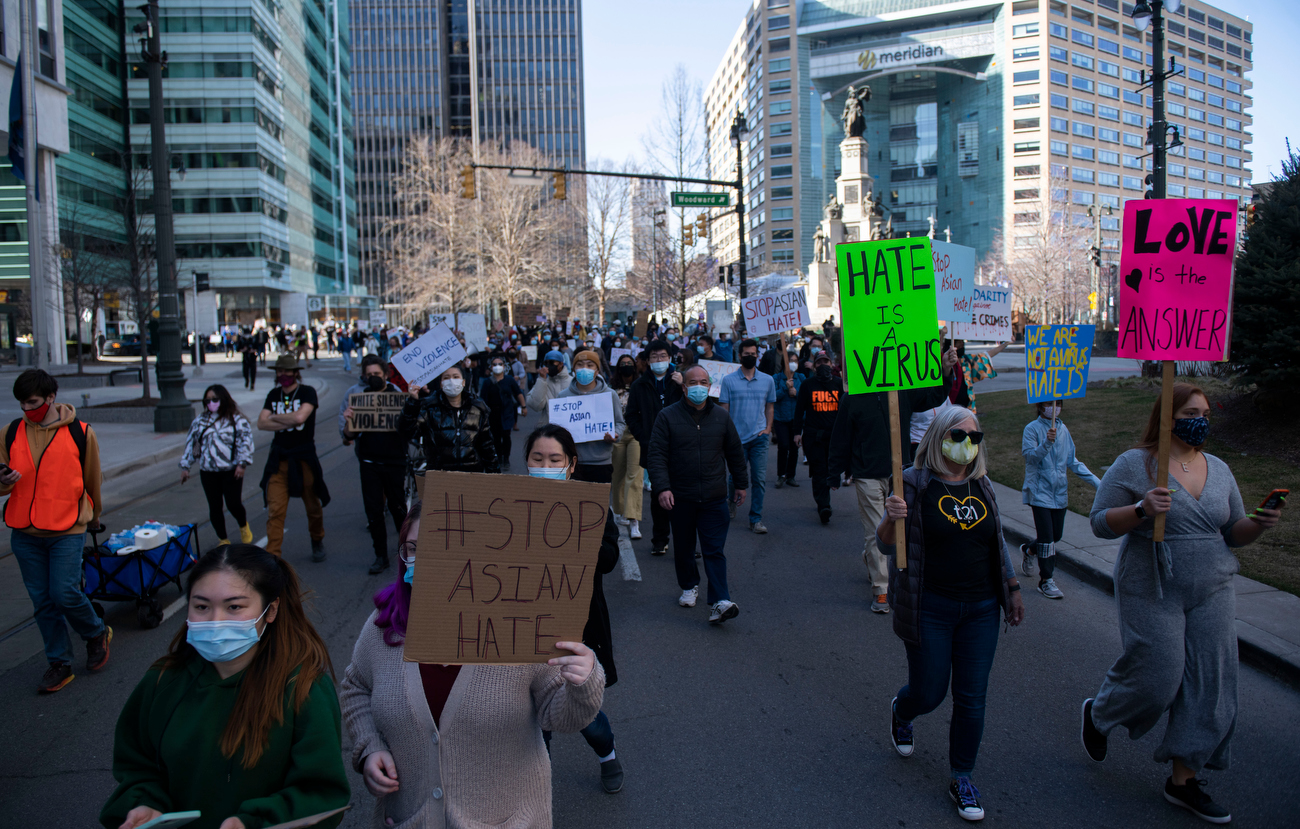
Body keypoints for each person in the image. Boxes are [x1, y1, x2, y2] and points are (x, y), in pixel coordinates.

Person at [1080, 384, 1286, 824]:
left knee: (1209, 683)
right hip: (1152, 584)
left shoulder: (1220, 470)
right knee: (1158, 676)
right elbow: (1099, 523)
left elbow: (1232, 532)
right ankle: (1100, 714)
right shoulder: (1136, 464)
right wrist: (1139, 509)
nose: (1202, 420)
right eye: (1192, 412)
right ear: (1168, 416)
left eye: (1207, 413)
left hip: (1213, 587)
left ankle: (1183, 780)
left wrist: (1259, 524)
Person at [339, 504, 604, 828]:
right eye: (412, 549)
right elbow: (355, 686)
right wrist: (370, 747)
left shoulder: (517, 626)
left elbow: (560, 715)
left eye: (437, 548)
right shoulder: (385, 626)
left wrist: (583, 681)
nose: (421, 562)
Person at [100, 545, 350, 829]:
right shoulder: (161, 682)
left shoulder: (304, 689)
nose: (215, 621)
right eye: (202, 606)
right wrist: (144, 803)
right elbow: (137, 768)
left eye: (234, 607)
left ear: (271, 610)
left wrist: (253, 823)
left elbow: (322, 793)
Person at [878, 405, 1025, 822]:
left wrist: (1012, 589)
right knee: (929, 692)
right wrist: (892, 519)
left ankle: (962, 776)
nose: (966, 445)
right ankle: (903, 711)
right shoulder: (911, 482)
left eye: (974, 438)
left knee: (971, 698)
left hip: (980, 609)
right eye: (957, 436)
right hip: (931, 608)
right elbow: (887, 545)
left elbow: (995, 543)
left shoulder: (983, 485)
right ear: (938, 437)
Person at [525, 424, 626, 793]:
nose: (545, 464)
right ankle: (538, 780)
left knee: (582, 712)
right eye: (538, 458)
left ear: (570, 464)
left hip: (576, 629)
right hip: (521, 629)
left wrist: (571, 542)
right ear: (527, 462)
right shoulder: (506, 503)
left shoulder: (591, 504)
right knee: (535, 717)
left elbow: (610, 557)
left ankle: (607, 752)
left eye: (554, 459)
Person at [0, 369, 110, 694]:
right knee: (43, 602)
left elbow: (93, 481)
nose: (26, 409)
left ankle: (95, 632)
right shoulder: (9, 433)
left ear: (50, 397)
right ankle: (59, 662)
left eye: (31, 402)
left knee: (64, 593)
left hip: (67, 528)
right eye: (21, 403)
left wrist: (95, 518)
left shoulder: (80, 432)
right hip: (24, 533)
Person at [832, 344, 959, 613]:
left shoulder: (901, 389)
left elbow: (933, 396)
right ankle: (881, 588)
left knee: (899, 527)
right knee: (873, 529)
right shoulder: (853, 397)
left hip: (899, 472)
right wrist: (834, 470)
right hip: (867, 473)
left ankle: (872, 557)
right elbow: (841, 436)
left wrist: (946, 369)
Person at [648, 365, 748, 624]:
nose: (699, 386)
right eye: (693, 382)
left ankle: (719, 601)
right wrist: (662, 487)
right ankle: (689, 585)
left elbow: (735, 452)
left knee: (714, 549)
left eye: (704, 382)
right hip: (680, 497)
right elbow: (657, 455)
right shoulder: (667, 417)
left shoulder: (721, 417)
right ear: (684, 387)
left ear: (710, 386)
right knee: (683, 547)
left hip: (714, 497)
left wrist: (741, 483)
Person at [1019, 399, 1101, 599]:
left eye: (1057, 404)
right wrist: (1047, 442)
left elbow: (1073, 462)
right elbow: (1030, 457)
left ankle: (1029, 550)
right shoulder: (1032, 429)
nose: (1054, 408)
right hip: (1039, 492)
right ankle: (1046, 580)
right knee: (1047, 540)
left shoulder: (1064, 430)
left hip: (1059, 493)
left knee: (1055, 536)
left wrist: (1100, 484)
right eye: (1048, 404)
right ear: (1040, 406)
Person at [340, 356, 409, 574]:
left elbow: (407, 429)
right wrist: (349, 418)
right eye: (369, 375)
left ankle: (407, 553)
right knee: (374, 512)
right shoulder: (358, 397)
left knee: (398, 509)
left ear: (385, 375)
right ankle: (380, 555)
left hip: (394, 461)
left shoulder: (397, 396)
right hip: (369, 462)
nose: (373, 378)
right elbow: (349, 434)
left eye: (376, 375)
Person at [257, 355, 330, 561]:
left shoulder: (307, 392)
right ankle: (273, 557)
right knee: (275, 509)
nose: (283, 375)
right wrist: (287, 420)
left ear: (296, 372)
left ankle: (317, 539)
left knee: (313, 506)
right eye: (279, 371)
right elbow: (261, 423)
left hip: (304, 459)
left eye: (287, 371)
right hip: (278, 460)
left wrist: (274, 417)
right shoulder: (274, 394)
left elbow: (300, 417)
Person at [625, 340, 684, 557]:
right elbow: (631, 415)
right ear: (648, 360)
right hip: (653, 448)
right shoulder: (639, 385)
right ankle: (660, 540)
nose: (659, 360)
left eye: (663, 356)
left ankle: (686, 542)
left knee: (683, 497)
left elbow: (697, 406)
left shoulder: (680, 381)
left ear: (670, 359)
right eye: (654, 357)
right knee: (659, 495)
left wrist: (683, 385)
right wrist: (644, 437)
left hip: (680, 446)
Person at [180, 384, 255, 546]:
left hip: (231, 471)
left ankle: (243, 525)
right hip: (208, 472)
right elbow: (192, 444)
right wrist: (186, 467)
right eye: (207, 400)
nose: (211, 403)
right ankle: (223, 539)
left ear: (223, 399)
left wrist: (242, 463)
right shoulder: (200, 421)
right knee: (215, 507)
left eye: (215, 399)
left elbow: (246, 442)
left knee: (233, 503)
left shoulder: (237, 420)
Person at [397, 365, 499, 474]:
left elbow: (487, 445)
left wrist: (495, 474)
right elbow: (407, 431)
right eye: (446, 378)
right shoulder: (429, 408)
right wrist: (412, 402)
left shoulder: (477, 408)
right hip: (440, 475)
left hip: (472, 474)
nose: (451, 381)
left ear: (463, 382)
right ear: (441, 383)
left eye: (455, 377)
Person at [718, 339, 775, 533]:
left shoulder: (768, 380)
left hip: (759, 437)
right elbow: (724, 409)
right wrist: (726, 435)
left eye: (753, 354)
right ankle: (731, 501)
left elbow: (770, 406)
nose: (750, 357)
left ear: (757, 355)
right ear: (739, 355)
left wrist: (767, 429)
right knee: (735, 477)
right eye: (746, 354)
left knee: (758, 479)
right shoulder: (728, 380)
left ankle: (756, 519)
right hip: (736, 439)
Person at [551, 350, 624, 484]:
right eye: (580, 365)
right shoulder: (563, 397)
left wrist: (615, 434)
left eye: (590, 365)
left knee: (598, 504)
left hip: (601, 462)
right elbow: (556, 430)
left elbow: (620, 423)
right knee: (571, 503)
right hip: (572, 462)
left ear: (597, 371)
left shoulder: (610, 395)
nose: (585, 369)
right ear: (573, 369)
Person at [792, 351, 841, 523]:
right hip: (814, 436)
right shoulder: (807, 385)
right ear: (814, 366)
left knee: (831, 470)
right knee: (819, 470)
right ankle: (824, 506)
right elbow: (799, 410)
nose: (822, 365)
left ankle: (825, 498)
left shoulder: (839, 384)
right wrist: (797, 432)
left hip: (835, 437)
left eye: (825, 362)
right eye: (819, 363)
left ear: (831, 364)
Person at [608, 353, 643, 539]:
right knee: (618, 475)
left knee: (635, 474)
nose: (627, 366)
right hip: (617, 433)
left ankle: (634, 518)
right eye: (624, 363)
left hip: (636, 433)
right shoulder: (611, 388)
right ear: (618, 367)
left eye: (630, 363)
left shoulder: (641, 385)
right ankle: (620, 511)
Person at [480, 354, 527, 468]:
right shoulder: (487, 382)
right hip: (493, 414)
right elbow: (482, 399)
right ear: (491, 367)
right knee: (495, 437)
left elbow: (518, 393)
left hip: (507, 412)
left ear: (504, 367)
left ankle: (506, 458)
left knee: (506, 436)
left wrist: (524, 406)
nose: (497, 366)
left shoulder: (509, 380)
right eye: (494, 364)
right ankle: (499, 457)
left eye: (500, 364)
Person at [771, 344, 804, 490]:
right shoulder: (776, 378)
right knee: (783, 446)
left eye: (796, 361)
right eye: (791, 360)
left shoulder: (801, 378)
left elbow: (806, 399)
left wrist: (796, 394)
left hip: (796, 419)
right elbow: (773, 397)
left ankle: (791, 476)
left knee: (794, 447)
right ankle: (781, 475)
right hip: (780, 418)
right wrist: (785, 387)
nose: (794, 363)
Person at [526, 349, 572, 416]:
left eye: (552, 362)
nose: (548, 366)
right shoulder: (543, 382)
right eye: (546, 363)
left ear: (561, 364)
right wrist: (541, 379)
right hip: (548, 424)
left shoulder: (572, 382)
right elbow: (535, 405)